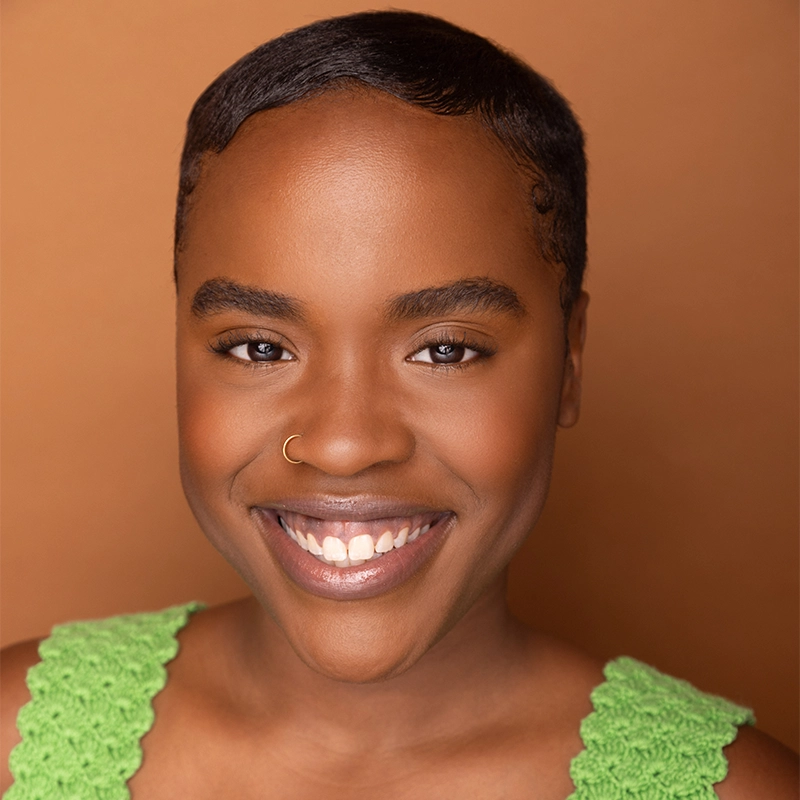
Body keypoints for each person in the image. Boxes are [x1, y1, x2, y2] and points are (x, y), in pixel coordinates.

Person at [1, 10, 797, 798]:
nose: (344, 445)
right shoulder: (14, 740)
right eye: (260, 347)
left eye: (444, 350)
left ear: (570, 362)